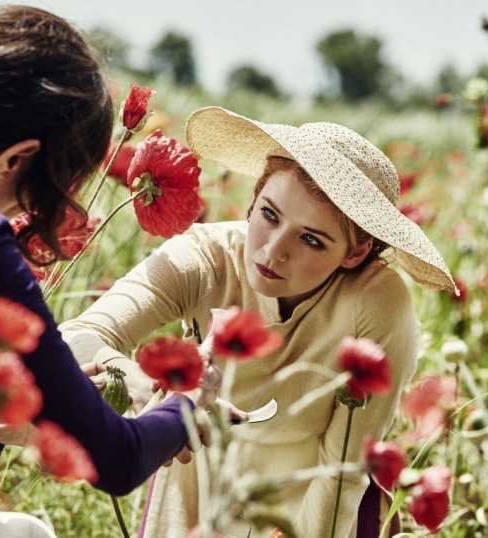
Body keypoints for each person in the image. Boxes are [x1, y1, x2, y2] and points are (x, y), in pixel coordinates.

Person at [0, 6, 213, 535]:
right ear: (15, 160)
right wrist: (190, 407)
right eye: (54, 188)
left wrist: (14, 420)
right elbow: (118, 462)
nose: (28, 216)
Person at [59, 106, 456, 537]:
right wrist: (138, 384)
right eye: (269, 215)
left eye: (310, 239)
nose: (273, 252)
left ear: (355, 253)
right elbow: (76, 336)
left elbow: (341, 471)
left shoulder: (378, 306)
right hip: (200, 483)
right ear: (254, 197)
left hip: (316, 507)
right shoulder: (205, 257)